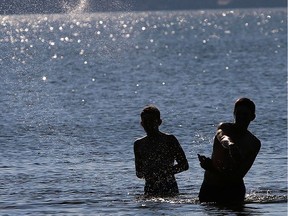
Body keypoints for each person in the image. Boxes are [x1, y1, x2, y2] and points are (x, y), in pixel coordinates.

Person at [198, 98, 261, 204]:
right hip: (210, 187)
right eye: (238, 113)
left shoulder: (254, 143)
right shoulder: (224, 127)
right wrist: (231, 145)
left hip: (233, 190)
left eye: (245, 114)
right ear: (234, 114)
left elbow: (239, 176)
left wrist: (212, 168)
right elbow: (223, 137)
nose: (241, 117)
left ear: (252, 117)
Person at [134, 105, 189, 196]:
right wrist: (150, 174)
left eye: (151, 121)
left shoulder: (169, 140)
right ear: (142, 124)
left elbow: (184, 165)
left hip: (169, 186)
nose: (148, 125)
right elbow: (139, 173)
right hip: (150, 188)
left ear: (159, 122)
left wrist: (165, 172)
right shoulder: (138, 144)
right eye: (145, 121)